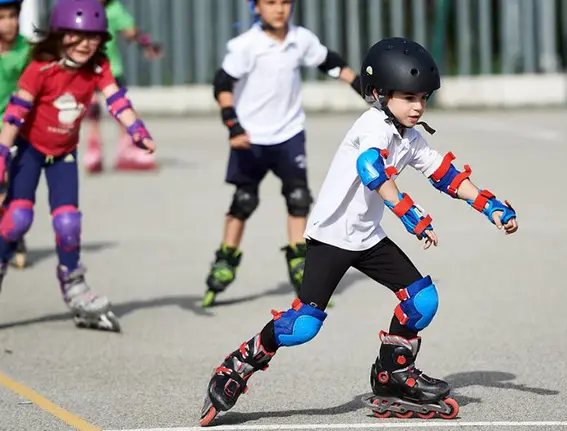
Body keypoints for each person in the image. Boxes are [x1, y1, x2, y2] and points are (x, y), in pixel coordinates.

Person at [198, 37, 518, 426]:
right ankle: (238, 366)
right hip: (332, 238)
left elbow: (445, 174)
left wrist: (490, 205)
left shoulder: (409, 136)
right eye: (408, 97)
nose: (418, 106)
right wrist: (408, 212)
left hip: (367, 238)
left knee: (422, 301)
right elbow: (372, 169)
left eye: (423, 97)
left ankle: (393, 373)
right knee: (301, 327)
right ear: (380, 94)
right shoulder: (372, 126)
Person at [0, 0, 156, 332]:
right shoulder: (40, 68)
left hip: (64, 154)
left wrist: (136, 129)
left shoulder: (98, 68)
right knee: (16, 220)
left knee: (68, 223)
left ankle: (74, 286)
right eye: (77, 35)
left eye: (94, 37)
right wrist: (2, 152)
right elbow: (15, 113)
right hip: (28, 149)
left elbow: (116, 99)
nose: (87, 43)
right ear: (60, 34)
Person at [201, 0, 365, 308]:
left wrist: (363, 87)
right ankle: (224, 261)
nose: (280, 9)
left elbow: (329, 62)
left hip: (289, 133)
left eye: (286, 2)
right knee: (244, 200)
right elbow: (222, 83)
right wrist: (232, 124)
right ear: (256, 8)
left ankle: (301, 265)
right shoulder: (246, 45)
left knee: (299, 198)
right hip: (250, 137)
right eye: (271, 2)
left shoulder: (299, 39)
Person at [82, 0, 162, 174]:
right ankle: (94, 147)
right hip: (87, 68)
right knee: (93, 107)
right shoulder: (82, 7)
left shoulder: (114, 9)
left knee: (121, 108)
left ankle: (126, 147)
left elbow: (131, 31)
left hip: (111, 69)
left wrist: (146, 45)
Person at [0, 0, 29, 269]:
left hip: (12, 129)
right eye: (2, 17)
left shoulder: (27, 51)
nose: (9, 23)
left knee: (7, 186)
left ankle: (15, 237)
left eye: (13, 16)